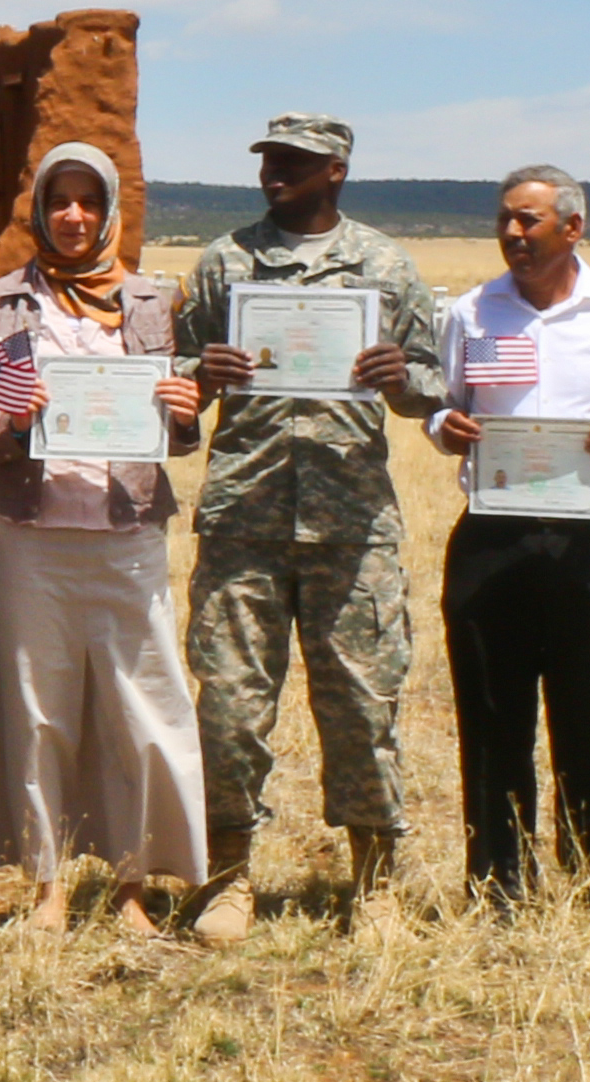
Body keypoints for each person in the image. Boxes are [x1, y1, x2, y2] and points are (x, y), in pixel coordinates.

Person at [182, 114, 453, 929]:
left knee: (363, 707)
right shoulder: (226, 261)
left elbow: (432, 386)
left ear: (334, 170)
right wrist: (203, 371)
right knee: (230, 705)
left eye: (293, 164)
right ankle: (229, 876)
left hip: (350, 522)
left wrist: (398, 376)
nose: (274, 175)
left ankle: (374, 881)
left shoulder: (382, 265)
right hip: (244, 518)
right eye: (268, 161)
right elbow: (173, 383)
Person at [0, 143, 213, 927]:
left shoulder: (150, 302)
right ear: (39, 209)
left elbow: (175, 436)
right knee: (38, 709)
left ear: (111, 212)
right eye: (60, 201)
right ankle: (48, 885)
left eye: (89, 202)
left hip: (125, 531)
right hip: (29, 535)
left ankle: (133, 885)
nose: (74, 216)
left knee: (134, 710)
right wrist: (13, 419)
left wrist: (182, 410)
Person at [428, 166, 590, 902]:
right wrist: (441, 426)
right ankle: (498, 881)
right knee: (490, 709)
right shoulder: (472, 313)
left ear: (572, 228)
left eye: (530, 221)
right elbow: (444, 405)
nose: (514, 234)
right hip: (493, 534)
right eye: (506, 220)